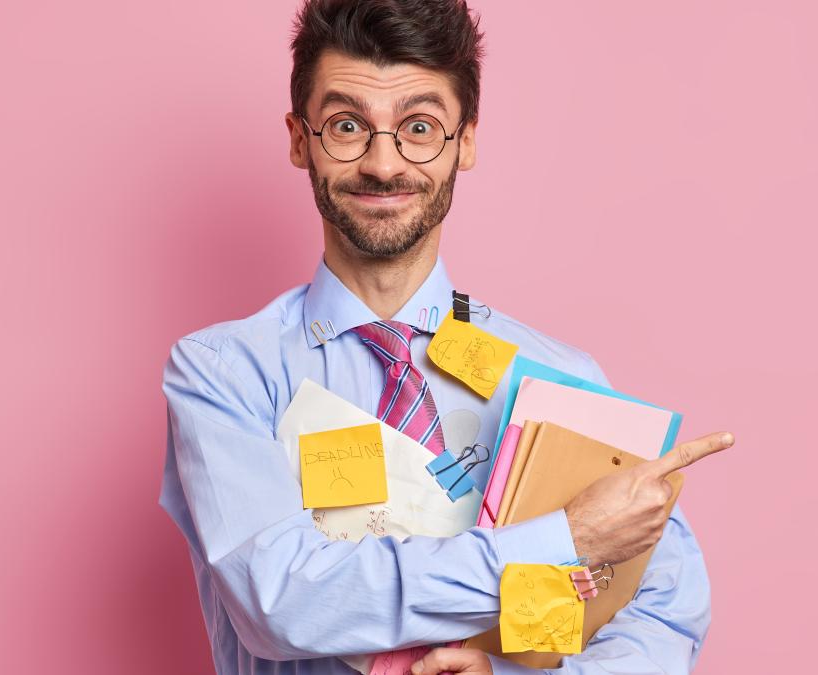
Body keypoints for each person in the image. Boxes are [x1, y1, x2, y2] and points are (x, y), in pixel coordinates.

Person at [159, 1, 733, 673]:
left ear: (465, 141)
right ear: (298, 138)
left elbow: (667, 604)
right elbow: (279, 597)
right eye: (347, 125)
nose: (383, 163)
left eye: (420, 127)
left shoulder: (558, 380)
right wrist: (562, 539)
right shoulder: (225, 372)